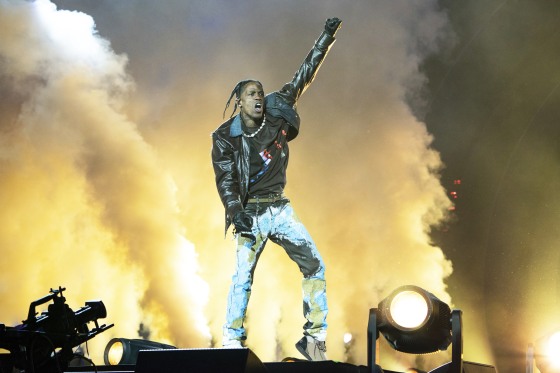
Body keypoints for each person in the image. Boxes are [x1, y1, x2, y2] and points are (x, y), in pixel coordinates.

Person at [211, 17, 341, 361]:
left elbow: (305, 72)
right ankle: (231, 342)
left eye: (260, 92)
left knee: (315, 265)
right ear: (239, 101)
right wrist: (235, 211)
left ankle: (314, 343)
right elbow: (225, 178)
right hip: (250, 213)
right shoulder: (225, 137)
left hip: (280, 209)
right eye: (251, 93)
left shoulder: (278, 111)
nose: (258, 97)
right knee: (242, 278)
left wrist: (327, 36)